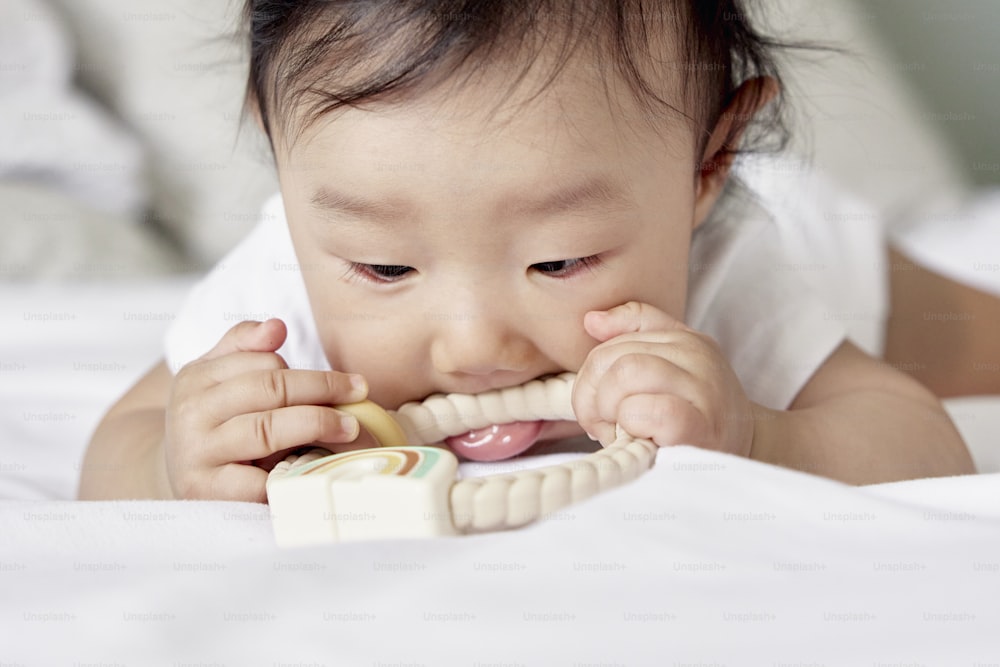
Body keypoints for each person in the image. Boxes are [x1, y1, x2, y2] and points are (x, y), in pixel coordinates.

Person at [79, 0, 974, 502]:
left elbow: (926, 443)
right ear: (281, 156)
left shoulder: (733, 262)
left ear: (707, 164)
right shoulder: (278, 292)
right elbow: (119, 442)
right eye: (387, 268)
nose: (474, 346)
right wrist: (171, 462)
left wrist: (763, 432)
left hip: (830, 249)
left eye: (561, 259)